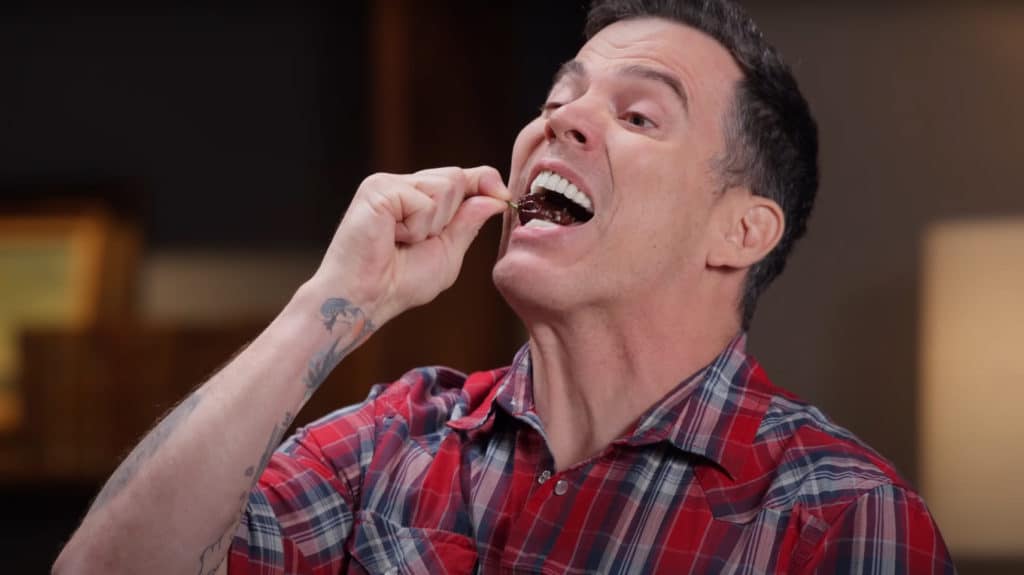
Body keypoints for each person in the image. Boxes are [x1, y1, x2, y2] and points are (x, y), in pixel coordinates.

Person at [54, 0, 956, 573]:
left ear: (742, 231)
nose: (562, 120)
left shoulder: (841, 520)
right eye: (559, 98)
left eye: (638, 114)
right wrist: (333, 300)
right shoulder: (393, 441)